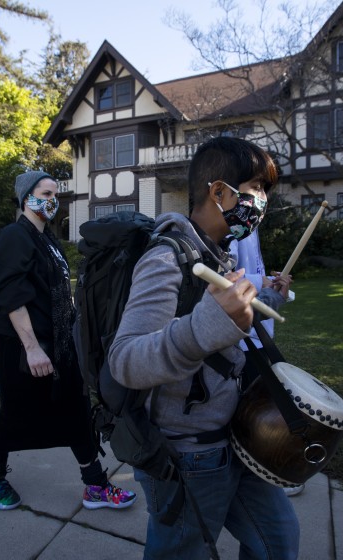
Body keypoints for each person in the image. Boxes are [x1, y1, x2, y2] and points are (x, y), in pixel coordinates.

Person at [108, 137, 300, 559]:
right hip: (188, 456)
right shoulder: (166, 257)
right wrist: (204, 328)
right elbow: (126, 360)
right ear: (219, 192)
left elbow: (223, 321)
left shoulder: (218, 256)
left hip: (234, 437)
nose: (264, 200)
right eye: (256, 187)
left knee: (278, 543)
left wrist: (269, 300)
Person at [0, 170, 137, 511]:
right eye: (45, 193)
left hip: (60, 345)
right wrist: (33, 348)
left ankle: (95, 485)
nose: (52, 200)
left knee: (76, 411)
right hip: (21, 347)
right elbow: (10, 294)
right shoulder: (13, 236)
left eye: (56, 195)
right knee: (15, 414)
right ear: (26, 198)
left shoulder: (47, 240)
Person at [229, 232, 304, 497]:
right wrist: (266, 281)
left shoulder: (252, 227)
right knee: (252, 412)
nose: (261, 198)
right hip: (242, 339)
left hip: (258, 334)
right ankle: (259, 471)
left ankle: (261, 470)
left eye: (264, 190)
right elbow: (225, 276)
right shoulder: (233, 227)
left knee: (260, 406)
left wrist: (272, 286)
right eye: (255, 188)